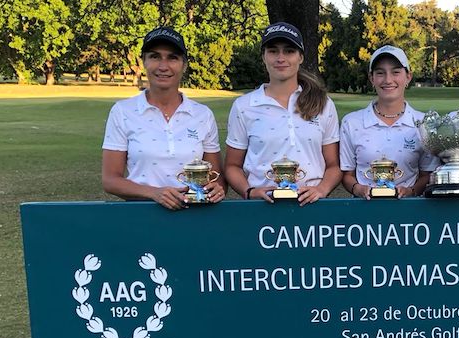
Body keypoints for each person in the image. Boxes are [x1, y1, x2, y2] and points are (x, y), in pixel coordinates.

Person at [102, 26, 224, 210]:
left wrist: (217, 189)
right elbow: (110, 180)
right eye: (155, 56)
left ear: (184, 64)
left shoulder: (202, 114)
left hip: (195, 216)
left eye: (172, 58)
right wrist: (154, 193)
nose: (163, 66)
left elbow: (216, 177)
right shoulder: (122, 111)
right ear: (143, 61)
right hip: (142, 216)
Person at [224, 22, 340, 206]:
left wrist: (321, 189)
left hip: (312, 207)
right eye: (273, 51)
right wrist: (249, 191)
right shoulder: (244, 106)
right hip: (263, 209)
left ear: (300, 57)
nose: (280, 58)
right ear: (263, 56)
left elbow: (333, 165)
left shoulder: (322, 103)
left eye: (289, 51)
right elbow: (232, 166)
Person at [339, 45, 436, 199]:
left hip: (408, 216)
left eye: (396, 72)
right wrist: (358, 189)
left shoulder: (423, 123)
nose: (388, 80)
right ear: (372, 79)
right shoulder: (351, 123)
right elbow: (346, 174)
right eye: (380, 73)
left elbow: (427, 174)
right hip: (363, 214)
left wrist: (411, 191)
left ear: (408, 77)